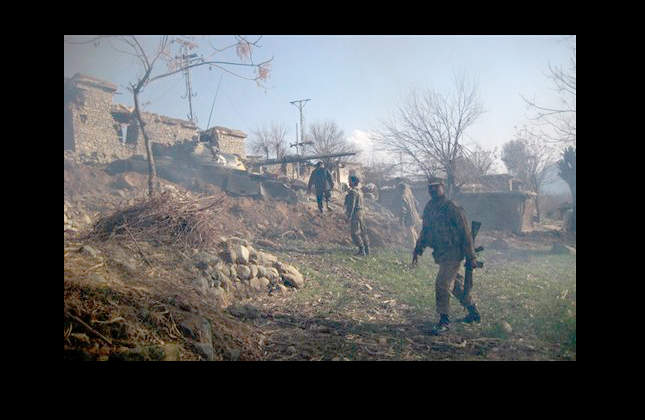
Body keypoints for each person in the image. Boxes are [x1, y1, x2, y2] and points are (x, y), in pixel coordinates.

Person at [412, 177, 481, 335]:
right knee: (457, 287)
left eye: (436, 187)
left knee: (442, 284)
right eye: (430, 188)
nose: (433, 190)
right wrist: (418, 248)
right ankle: (473, 312)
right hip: (441, 253)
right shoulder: (430, 207)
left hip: (454, 253)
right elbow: (426, 230)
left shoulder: (452, 207)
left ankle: (444, 321)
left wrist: (471, 257)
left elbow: (465, 233)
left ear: (443, 187)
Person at [344, 175, 370, 256]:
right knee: (363, 232)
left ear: (353, 182)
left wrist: (348, 215)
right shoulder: (359, 191)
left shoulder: (353, 192)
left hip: (356, 213)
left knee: (355, 233)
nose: (348, 182)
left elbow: (352, 205)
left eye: (350, 181)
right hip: (362, 213)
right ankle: (367, 250)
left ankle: (361, 250)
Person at [396, 182, 421, 247]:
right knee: (413, 231)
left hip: (408, 218)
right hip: (414, 216)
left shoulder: (402, 197)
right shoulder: (411, 196)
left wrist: (401, 221)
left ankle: (413, 247)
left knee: (410, 233)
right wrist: (417, 213)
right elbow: (417, 205)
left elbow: (403, 210)